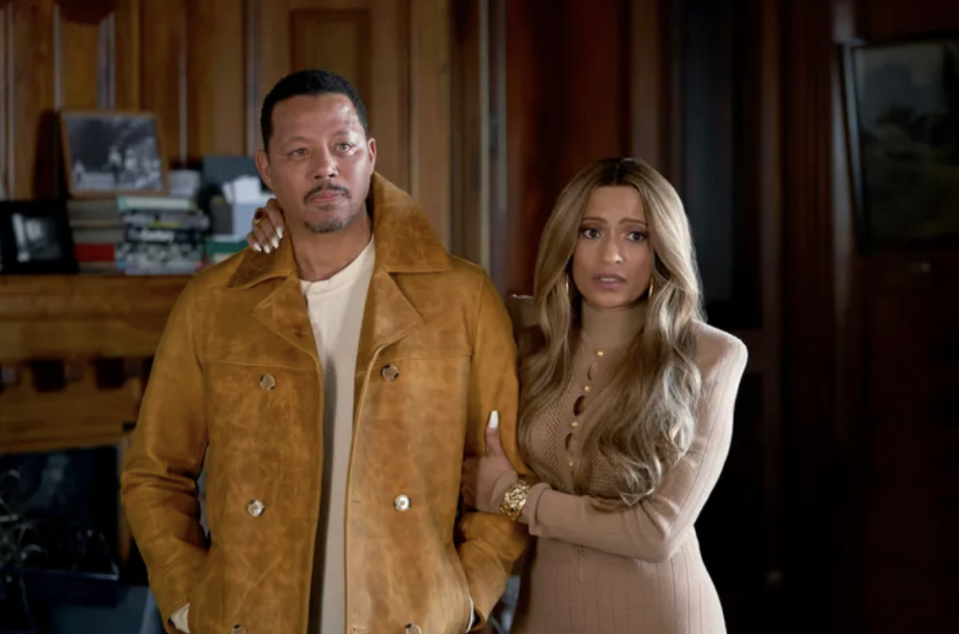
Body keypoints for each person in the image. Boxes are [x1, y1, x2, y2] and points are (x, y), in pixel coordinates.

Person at [249, 156, 748, 634]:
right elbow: (417, 272)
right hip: (543, 620)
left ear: (662, 246)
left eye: (635, 235)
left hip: (662, 620)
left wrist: (512, 496)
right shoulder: (527, 333)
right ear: (566, 242)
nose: (610, 254)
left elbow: (655, 532)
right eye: (590, 231)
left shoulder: (711, 357)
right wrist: (298, 216)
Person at [121, 69, 529, 634]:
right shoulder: (212, 305)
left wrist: (463, 601)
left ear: (370, 154)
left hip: (413, 621)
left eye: (343, 146)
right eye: (299, 151)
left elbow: (508, 470)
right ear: (265, 168)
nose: (326, 167)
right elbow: (155, 474)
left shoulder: (461, 298)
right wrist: (192, 606)